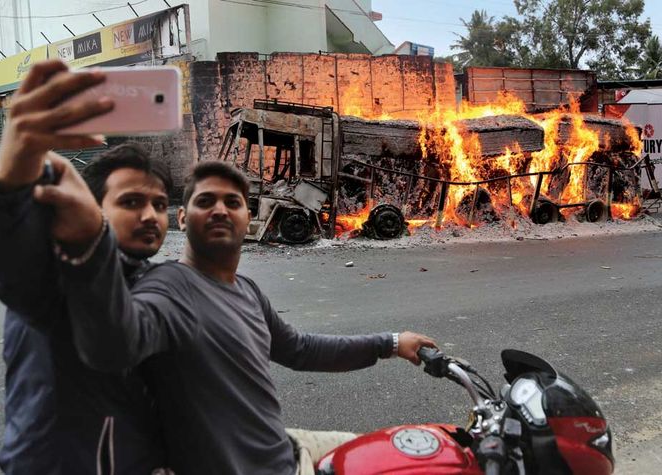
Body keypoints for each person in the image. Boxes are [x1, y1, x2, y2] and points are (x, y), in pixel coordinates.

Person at [35, 153, 439, 474]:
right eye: (204, 201)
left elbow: (299, 349)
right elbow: (120, 337)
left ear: (250, 219)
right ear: (181, 218)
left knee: (409, 455)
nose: (220, 210)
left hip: (287, 448)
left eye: (233, 202)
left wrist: (390, 343)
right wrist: (85, 246)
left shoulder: (247, 291)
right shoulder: (166, 288)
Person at [0, 60, 172, 474]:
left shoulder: (151, 277)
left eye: (159, 205)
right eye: (131, 202)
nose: (150, 216)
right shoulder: (56, 271)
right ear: (90, 205)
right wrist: (8, 176)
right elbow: (5, 240)